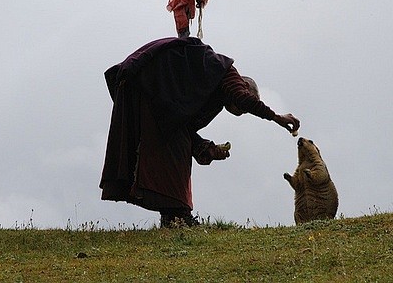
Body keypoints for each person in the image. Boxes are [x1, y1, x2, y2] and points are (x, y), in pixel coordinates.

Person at [100, 37, 300, 227]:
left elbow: (180, 129)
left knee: (173, 146)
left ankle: (173, 217)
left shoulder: (208, 92)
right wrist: (276, 117)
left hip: (140, 87)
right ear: (245, 86)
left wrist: (208, 149)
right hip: (144, 81)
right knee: (176, 152)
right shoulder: (225, 70)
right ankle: (180, 217)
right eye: (243, 108)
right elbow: (241, 98)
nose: (240, 111)